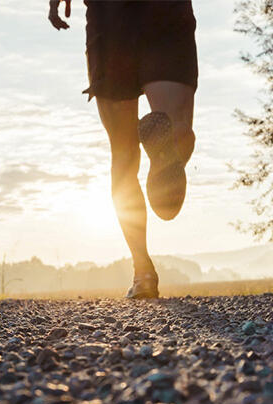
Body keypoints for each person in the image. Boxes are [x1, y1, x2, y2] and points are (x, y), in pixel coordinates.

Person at [48, 0, 198, 299]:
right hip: (165, 13)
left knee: (124, 154)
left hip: (110, 17)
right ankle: (168, 151)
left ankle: (143, 272)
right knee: (177, 127)